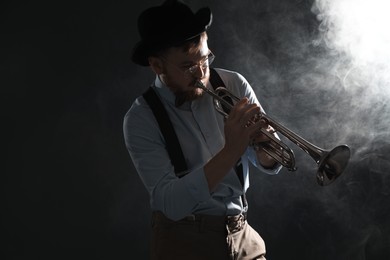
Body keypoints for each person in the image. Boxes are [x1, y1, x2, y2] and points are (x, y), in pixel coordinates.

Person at [123, 0, 282, 259]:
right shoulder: (140, 119)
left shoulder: (233, 83)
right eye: (187, 66)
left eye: (205, 59)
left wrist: (265, 147)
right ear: (157, 65)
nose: (201, 73)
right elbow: (171, 204)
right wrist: (231, 149)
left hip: (241, 232)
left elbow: (268, 162)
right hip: (183, 242)